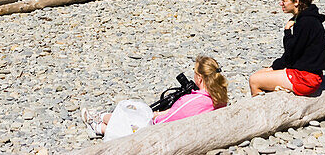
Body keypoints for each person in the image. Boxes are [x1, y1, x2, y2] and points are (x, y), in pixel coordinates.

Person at [81, 56, 228, 139]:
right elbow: (177, 113)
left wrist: (155, 115)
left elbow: (163, 121)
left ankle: (97, 122)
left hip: (163, 134)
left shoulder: (192, 100)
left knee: (133, 116)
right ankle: (98, 124)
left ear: (200, 78)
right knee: (137, 114)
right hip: (188, 129)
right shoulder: (218, 97)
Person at [249, 0, 325, 97]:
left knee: (254, 80)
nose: (281, 4)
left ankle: (261, 111)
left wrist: (287, 31)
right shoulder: (309, 19)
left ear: (296, 2)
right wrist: (273, 67)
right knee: (260, 74)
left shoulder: (305, 23)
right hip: (310, 74)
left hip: (306, 79)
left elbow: (291, 54)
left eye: (284, 1)